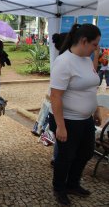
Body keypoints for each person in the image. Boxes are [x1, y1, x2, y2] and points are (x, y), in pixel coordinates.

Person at [49, 23, 102, 206]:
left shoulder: (87, 59)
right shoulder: (64, 62)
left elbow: (90, 86)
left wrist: (95, 109)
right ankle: (59, 188)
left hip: (85, 118)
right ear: (83, 41)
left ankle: (72, 184)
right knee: (65, 157)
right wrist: (60, 126)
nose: (97, 48)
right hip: (68, 120)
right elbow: (55, 96)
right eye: (95, 44)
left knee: (86, 152)